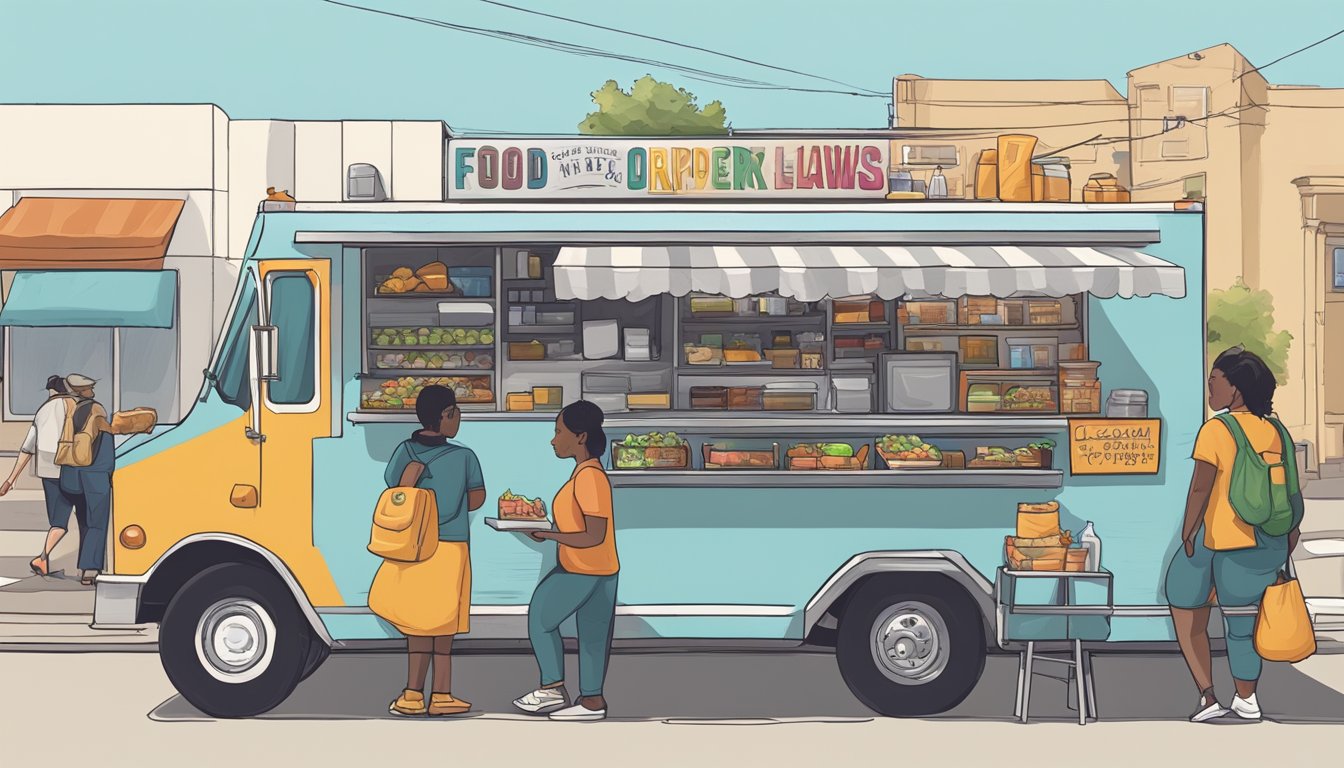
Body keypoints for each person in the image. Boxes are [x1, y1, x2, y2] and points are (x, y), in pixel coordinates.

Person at [1166, 347, 1303, 723]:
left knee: (1182, 600)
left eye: (1215, 382)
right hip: (1268, 540)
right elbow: (1291, 488)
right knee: (1242, 624)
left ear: (1236, 390)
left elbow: (1200, 489)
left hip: (1219, 540)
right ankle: (1247, 699)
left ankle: (1208, 696)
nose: (1210, 388)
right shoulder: (1276, 429)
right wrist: (1289, 535)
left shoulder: (1217, 429)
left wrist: (1188, 531)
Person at [369, 385, 485, 718]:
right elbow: (476, 499)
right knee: (444, 628)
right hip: (450, 545)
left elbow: (393, 490)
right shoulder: (464, 456)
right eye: (456, 413)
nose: (459, 419)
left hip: (413, 547)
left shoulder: (405, 450)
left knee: (417, 627)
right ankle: (442, 695)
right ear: (445, 416)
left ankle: (411, 695)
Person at [514, 400, 620, 722]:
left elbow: (593, 535)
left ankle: (552, 687)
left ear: (581, 437)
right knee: (592, 638)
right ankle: (591, 702)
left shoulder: (589, 477)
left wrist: (549, 536)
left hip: (582, 569)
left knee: (540, 617)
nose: (553, 439)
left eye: (559, 431)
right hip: (605, 570)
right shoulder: (588, 474)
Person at [1, 376, 75, 577]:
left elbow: (27, 447)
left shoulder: (42, 411)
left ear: (51, 391)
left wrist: (10, 479)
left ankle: (43, 560)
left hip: (47, 472)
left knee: (58, 522)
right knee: (68, 520)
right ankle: (43, 559)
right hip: (71, 470)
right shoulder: (74, 406)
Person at [57, 374, 114, 586]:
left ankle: (84, 566)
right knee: (97, 522)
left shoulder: (71, 412)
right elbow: (107, 438)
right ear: (83, 390)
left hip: (72, 474)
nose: (92, 390)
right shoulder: (97, 411)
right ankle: (90, 569)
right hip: (95, 475)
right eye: (89, 387)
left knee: (84, 523)